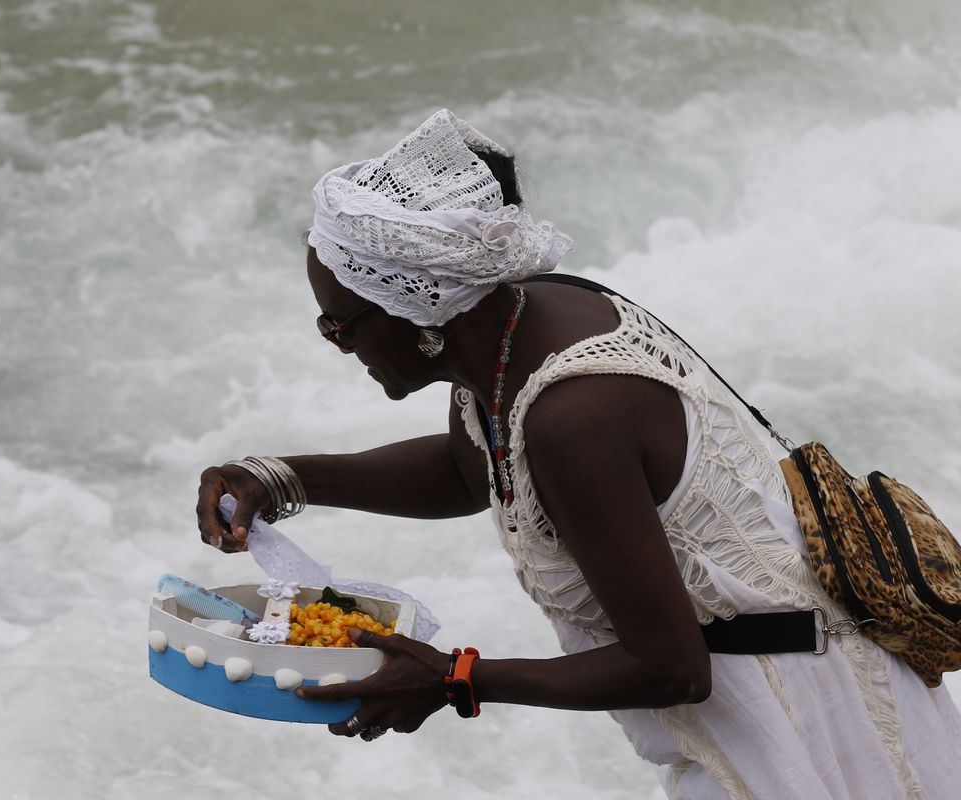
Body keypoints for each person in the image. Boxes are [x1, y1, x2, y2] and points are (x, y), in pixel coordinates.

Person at [192, 109, 961, 799]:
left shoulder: (573, 416)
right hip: (768, 703)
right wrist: (282, 477)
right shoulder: (512, 326)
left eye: (341, 326)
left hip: (805, 733)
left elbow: (673, 668)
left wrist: (453, 679)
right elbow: (475, 467)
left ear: (419, 306)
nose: (338, 345)